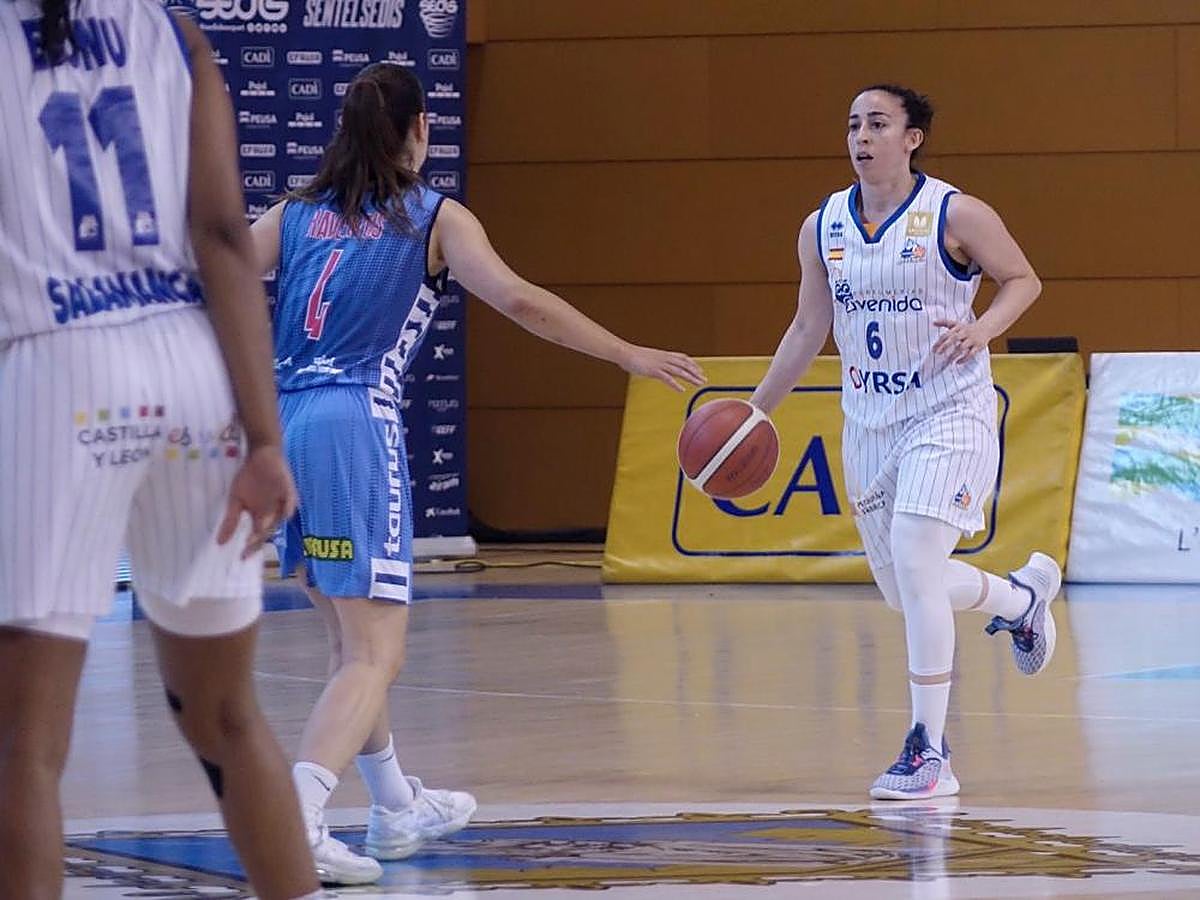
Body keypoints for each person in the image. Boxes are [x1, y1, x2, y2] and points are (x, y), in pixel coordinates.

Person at [250, 61, 706, 884]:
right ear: (420, 129)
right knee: (374, 654)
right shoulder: (433, 216)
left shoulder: (293, 213)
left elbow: (212, 275)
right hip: (354, 421)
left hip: (286, 421)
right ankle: (295, 818)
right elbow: (521, 302)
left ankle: (395, 806)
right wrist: (625, 352)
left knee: (350, 642)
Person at [0, 2, 324, 898]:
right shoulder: (175, 34)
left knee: (24, 745)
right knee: (228, 716)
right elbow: (222, 235)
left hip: (55, 364)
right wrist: (265, 438)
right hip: (193, 366)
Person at [749, 84, 1061, 800]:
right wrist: (755, 412)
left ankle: (929, 751)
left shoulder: (956, 212)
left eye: (878, 124)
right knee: (905, 591)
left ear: (912, 138)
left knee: (919, 562)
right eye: (853, 125)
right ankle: (1018, 601)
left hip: (948, 411)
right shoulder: (822, 225)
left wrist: (983, 328)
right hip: (869, 424)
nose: (861, 137)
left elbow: (1023, 279)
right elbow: (809, 327)